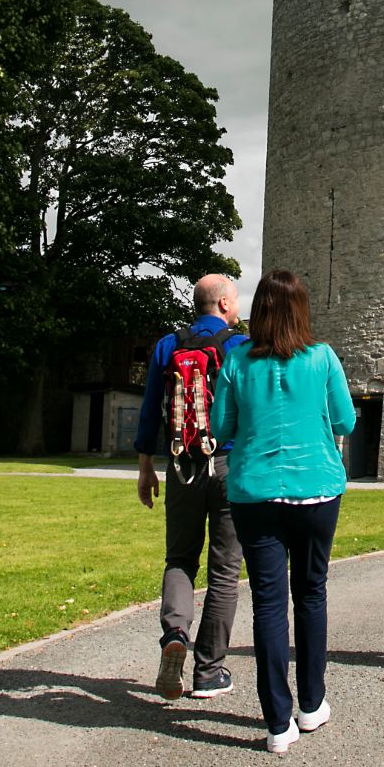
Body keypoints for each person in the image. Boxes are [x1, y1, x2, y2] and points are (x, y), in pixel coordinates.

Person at [212, 269, 356, 753]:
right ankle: (312, 705)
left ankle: (277, 722)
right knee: (311, 594)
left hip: (254, 492)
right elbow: (346, 419)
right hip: (315, 488)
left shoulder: (236, 363)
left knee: (268, 603)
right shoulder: (323, 357)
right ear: (301, 310)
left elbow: (221, 424)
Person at [135, 273, 251, 701]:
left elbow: (151, 410)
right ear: (222, 304)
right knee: (224, 570)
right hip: (227, 466)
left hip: (181, 465)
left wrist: (146, 466)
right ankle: (209, 671)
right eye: (235, 300)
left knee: (180, 558)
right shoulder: (240, 347)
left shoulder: (169, 346)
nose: (238, 307)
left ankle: (175, 635)